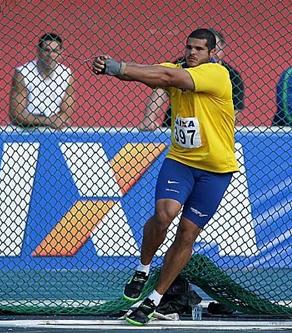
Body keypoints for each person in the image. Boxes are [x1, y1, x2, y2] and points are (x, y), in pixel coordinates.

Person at [91, 28, 238, 326]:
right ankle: (143, 268)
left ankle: (154, 298)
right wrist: (113, 69)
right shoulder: (174, 68)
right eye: (189, 47)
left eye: (199, 49)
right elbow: (151, 74)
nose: (192, 53)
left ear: (211, 53)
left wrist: (119, 66)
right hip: (180, 162)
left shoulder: (217, 74)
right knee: (164, 215)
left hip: (216, 171)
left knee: (187, 233)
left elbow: (170, 79)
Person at [139, 28, 245, 130]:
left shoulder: (231, 75)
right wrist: (149, 118)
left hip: (209, 128)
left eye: (215, 48)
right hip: (175, 124)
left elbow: (235, 110)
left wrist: (219, 129)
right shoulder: (182, 64)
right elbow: (161, 90)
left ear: (218, 50)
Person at [9, 33, 75, 129]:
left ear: (61, 53)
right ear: (38, 51)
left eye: (55, 51)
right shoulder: (23, 73)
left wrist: (59, 120)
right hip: (25, 130)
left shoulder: (67, 74)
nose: (51, 55)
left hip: (53, 130)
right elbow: (16, 114)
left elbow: (66, 111)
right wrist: (48, 121)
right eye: (46, 50)